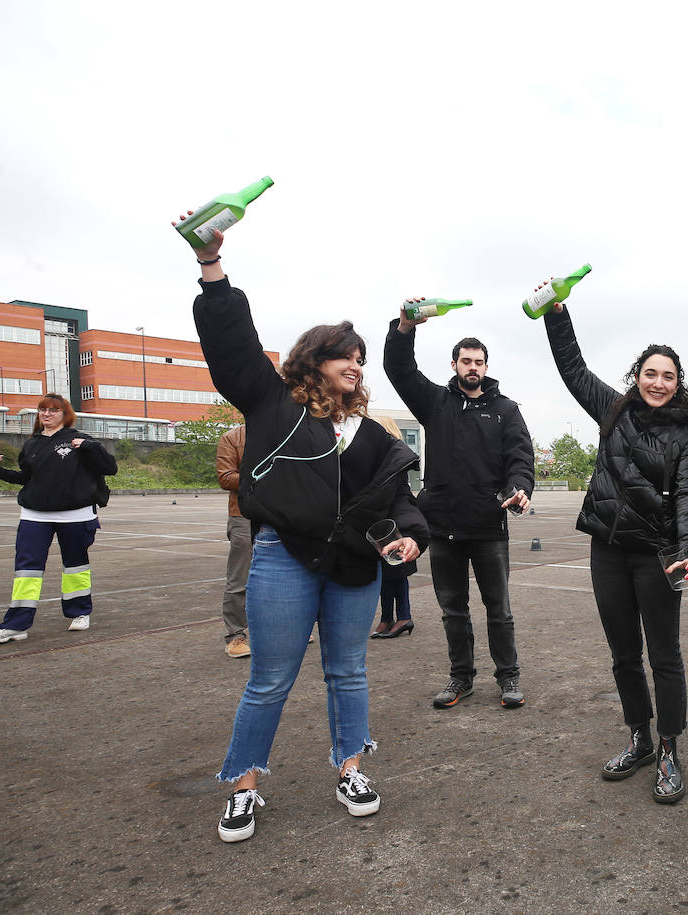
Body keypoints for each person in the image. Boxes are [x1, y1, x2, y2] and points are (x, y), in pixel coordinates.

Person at [175, 214, 428, 844]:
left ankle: (351, 771)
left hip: (353, 568)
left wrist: (410, 536)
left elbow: (401, 500)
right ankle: (244, 787)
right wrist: (212, 269)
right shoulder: (273, 407)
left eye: (363, 359)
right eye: (348, 355)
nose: (358, 366)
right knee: (270, 679)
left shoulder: (373, 436)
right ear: (314, 360)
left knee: (347, 673)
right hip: (283, 560)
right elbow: (233, 346)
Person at [541, 290, 688, 804]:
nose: (658, 383)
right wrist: (557, 312)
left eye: (669, 376)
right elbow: (573, 368)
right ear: (638, 375)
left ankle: (669, 750)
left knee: (665, 656)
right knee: (623, 655)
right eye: (651, 373)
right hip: (607, 552)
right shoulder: (614, 410)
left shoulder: (687, 432)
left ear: (678, 384)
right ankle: (638, 737)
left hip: (658, 556)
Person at [383, 306, 534, 709]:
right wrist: (404, 328)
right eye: (466, 361)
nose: (473, 367)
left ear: (486, 366)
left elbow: (521, 460)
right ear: (454, 364)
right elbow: (399, 369)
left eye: (479, 362)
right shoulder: (436, 403)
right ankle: (460, 678)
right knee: (453, 611)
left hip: (487, 526)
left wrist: (518, 488)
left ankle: (509, 677)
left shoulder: (506, 410)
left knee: (499, 611)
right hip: (441, 526)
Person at [0, 394, 117, 644]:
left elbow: (110, 468)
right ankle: (15, 625)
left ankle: (80, 613)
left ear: (65, 414)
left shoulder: (81, 441)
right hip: (34, 515)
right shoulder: (32, 444)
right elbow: (27, 478)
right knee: (27, 570)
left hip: (76, 515)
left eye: (53, 410)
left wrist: (90, 447)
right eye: (42, 410)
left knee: (75, 565)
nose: (47, 414)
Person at [371, 415, 416, 640]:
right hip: (386, 525)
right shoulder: (384, 455)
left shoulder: (394, 457)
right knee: (389, 575)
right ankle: (387, 618)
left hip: (395, 526)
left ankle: (402, 617)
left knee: (396, 573)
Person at [216, 424, 251, 658]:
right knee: (239, 579)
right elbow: (226, 477)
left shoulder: (285, 432)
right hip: (243, 516)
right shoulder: (232, 437)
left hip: (282, 516)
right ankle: (235, 635)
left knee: (283, 575)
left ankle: (281, 626)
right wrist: (268, 479)